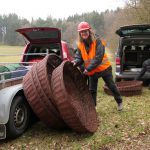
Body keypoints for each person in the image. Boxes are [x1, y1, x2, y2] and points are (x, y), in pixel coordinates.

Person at [73, 21, 123, 111]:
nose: (84, 33)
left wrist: (87, 69)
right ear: (79, 33)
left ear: (89, 31)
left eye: (85, 31)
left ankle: (119, 101)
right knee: (92, 90)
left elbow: (98, 57)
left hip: (104, 69)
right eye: (82, 32)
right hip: (92, 71)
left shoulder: (98, 41)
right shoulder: (80, 45)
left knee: (111, 86)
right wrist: (76, 61)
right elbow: (79, 57)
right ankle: (93, 108)